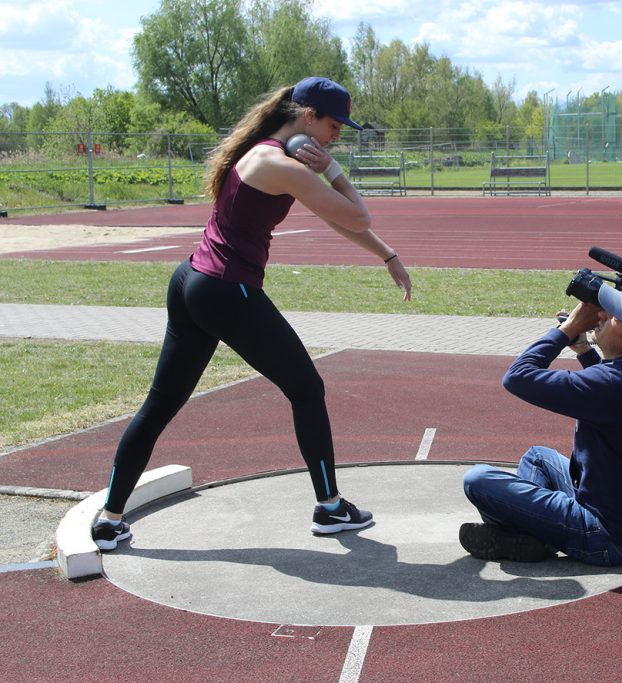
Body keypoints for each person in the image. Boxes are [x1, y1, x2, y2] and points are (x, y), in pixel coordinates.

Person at [92, 77, 412, 551]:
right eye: (332, 124)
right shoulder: (275, 162)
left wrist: (385, 255)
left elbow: (337, 219)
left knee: (160, 404)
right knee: (307, 388)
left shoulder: (267, 153)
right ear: (306, 117)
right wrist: (334, 169)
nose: (336, 135)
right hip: (225, 289)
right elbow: (356, 213)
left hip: (192, 281)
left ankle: (109, 518)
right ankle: (329, 507)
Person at [460, 284, 622, 566]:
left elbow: (517, 378)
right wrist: (582, 349)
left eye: (614, 316)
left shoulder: (612, 385)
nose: (601, 315)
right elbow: (612, 394)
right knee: (538, 457)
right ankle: (532, 536)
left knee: (477, 481)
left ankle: (528, 535)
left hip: (608, 537)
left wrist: (567, 329)